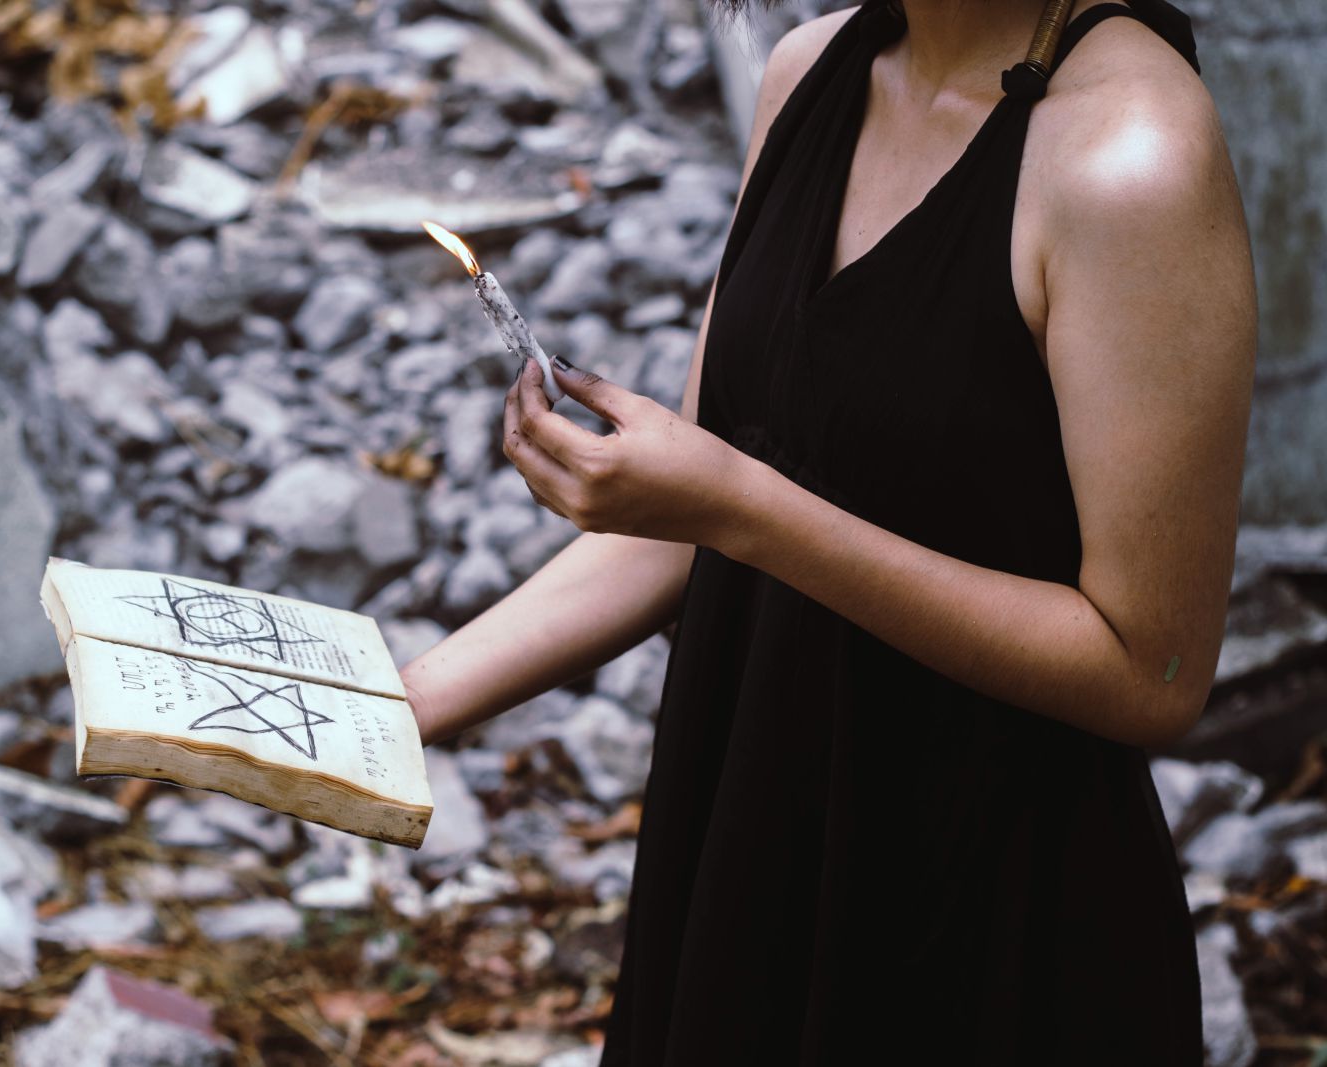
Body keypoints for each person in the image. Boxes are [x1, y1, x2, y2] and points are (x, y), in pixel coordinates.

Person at [401, 0, 1256, 1060]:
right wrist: (398, 705)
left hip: (979, 912)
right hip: (748, 854)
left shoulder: (1130, 156)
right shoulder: (809, 72)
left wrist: (740, 507)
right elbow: (689, 513)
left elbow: (1151, 670)